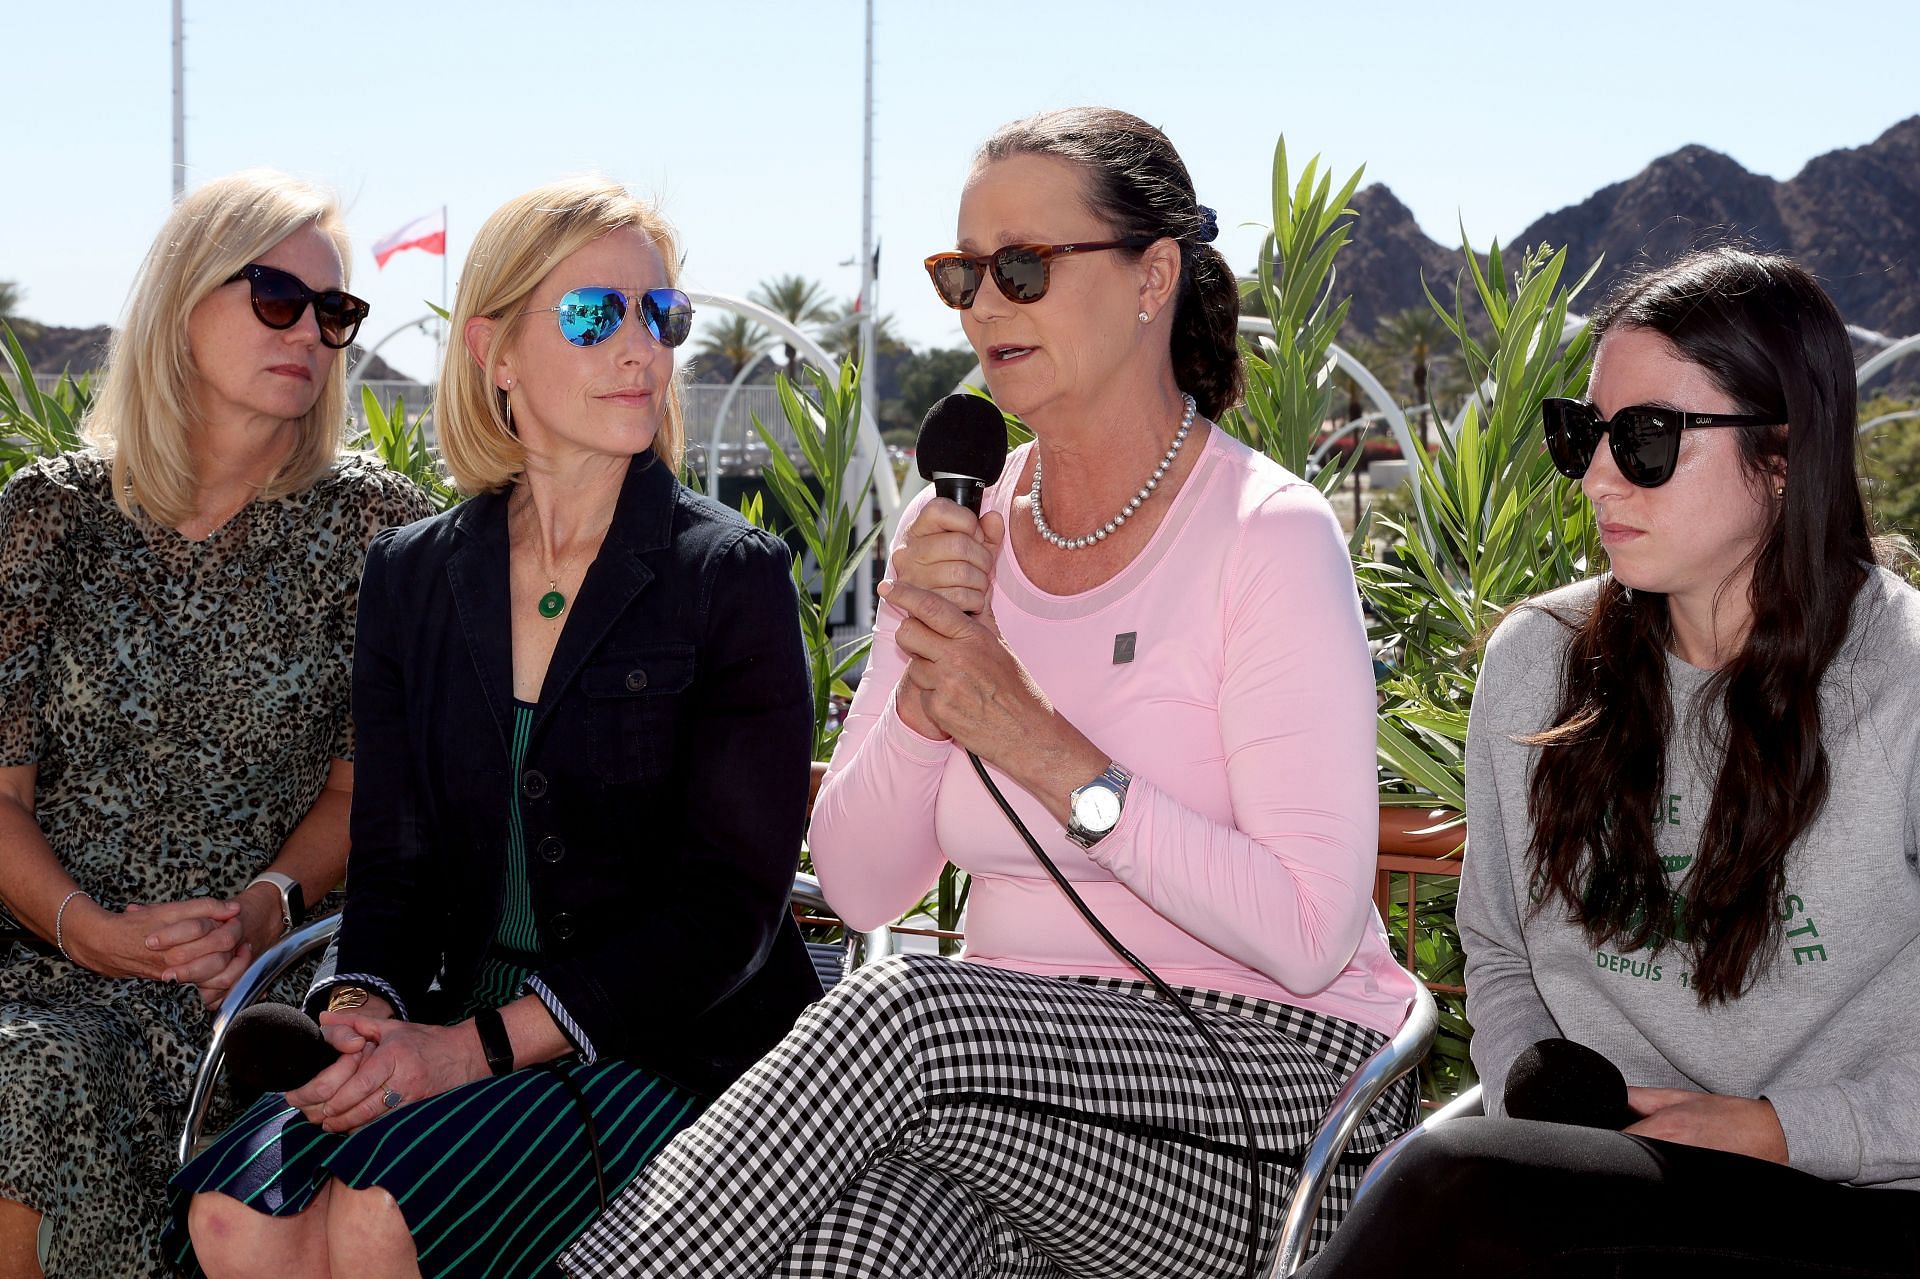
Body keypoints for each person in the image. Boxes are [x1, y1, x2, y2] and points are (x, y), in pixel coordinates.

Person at [561, 106, 1418, 1279]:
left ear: (1151, 277)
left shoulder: (1266, 535)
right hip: (1013, 1110)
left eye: (1022, 267)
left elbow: (1310, 934)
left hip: (1270, 1101)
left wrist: (1042, 744)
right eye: (964, 273)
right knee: (859, 1241)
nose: (982, 308)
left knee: (902, 1012)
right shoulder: (952, 523)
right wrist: (926, 692)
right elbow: (862, 881)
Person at [173, 176, 820, 1279]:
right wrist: (364, 1004)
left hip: (666, 1044)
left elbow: (727, 915)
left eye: (660, 316)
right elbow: (393, 861)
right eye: (592, 314)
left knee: (379, 1217)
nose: (640, 348)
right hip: (452, 1013)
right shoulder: (416, 575)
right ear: (497, 349)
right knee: (230, 1217)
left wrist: (470, 1053)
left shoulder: (729, 575)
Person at [1307, 247, 1920, 1276]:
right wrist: (1547, 1116)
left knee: (1447, 1179)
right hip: (1595, 1188)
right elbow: (1499, 949)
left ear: (1783, 450)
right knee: (1464, 1184)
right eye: (1580, 433)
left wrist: (1778, 1126)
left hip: (1856, 1200)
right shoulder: (1540, 663)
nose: (1595, 474)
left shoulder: (1901, 680)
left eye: (1643, 439)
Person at [0, 170, 431, 1279]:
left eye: (334, 313)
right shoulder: (47, 516)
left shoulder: (379, 529)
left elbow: (359, 790)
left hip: (249, 978)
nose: (311, 332)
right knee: (25, 1071)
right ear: (182, 301)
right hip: (42, 951)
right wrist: (85, 928)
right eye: (276, 297)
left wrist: (264, 906)